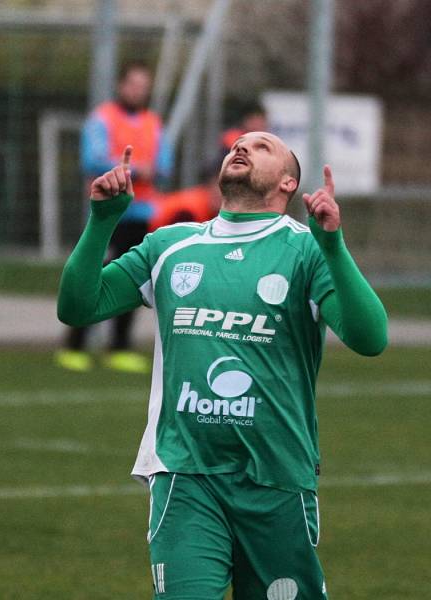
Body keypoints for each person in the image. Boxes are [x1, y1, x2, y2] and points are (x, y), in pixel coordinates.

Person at [57, 134, 387, 598]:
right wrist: (101, 221)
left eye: (263, 147)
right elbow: (78, 306)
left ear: (288, 182)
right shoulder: (169, 245)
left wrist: (333, 247)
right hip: (184, 473)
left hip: (277, 478)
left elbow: (371, 339)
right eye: (239, 143)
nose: (243, 148)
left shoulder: (306, 251)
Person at [55, 61, 174, 375]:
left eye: (143, 85)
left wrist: (151, 171)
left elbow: (164, 163)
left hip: (143, 212)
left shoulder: (153, 122)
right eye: (133, 84)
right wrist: (135, 170)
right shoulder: (102, 118)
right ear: (122, 85)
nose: (138, 90)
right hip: (109, 211)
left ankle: (119, 345)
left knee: (135, 275)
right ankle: (74, 343)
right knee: (95, 271)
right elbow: (92, 159)